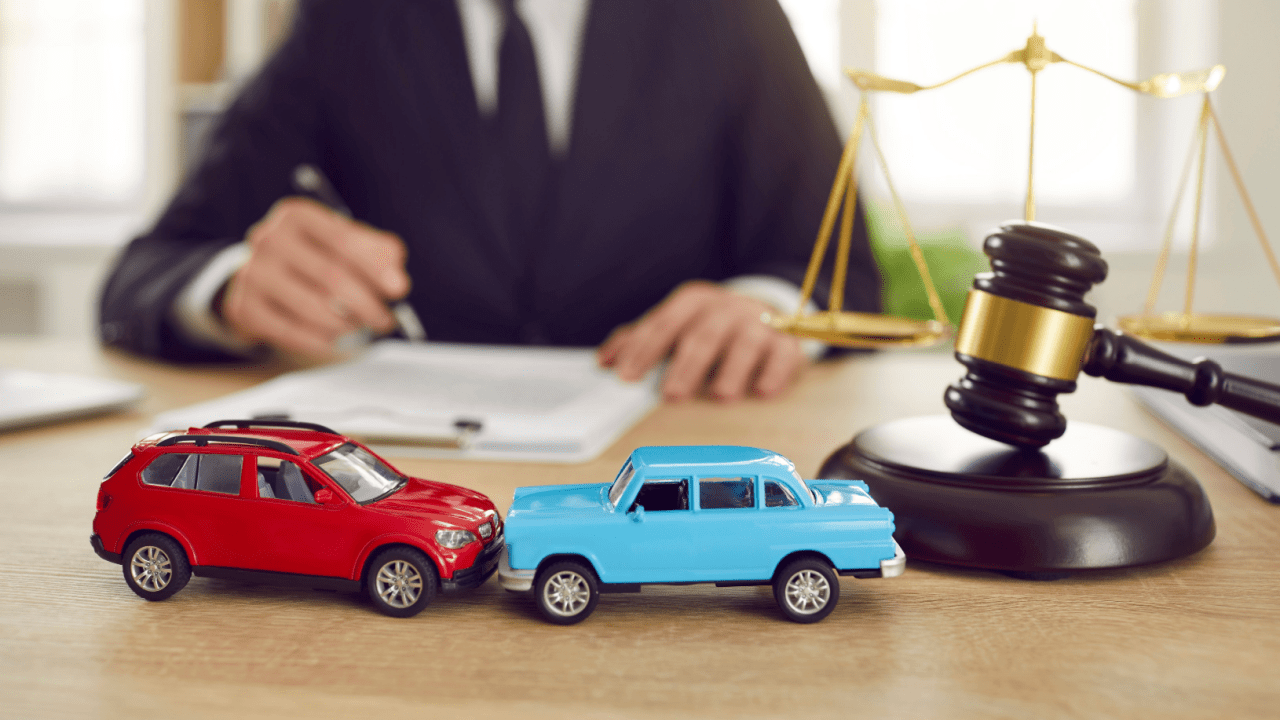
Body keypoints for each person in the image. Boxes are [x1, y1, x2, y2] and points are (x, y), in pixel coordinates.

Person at [98, 0, 879, 402]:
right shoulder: (346, 21)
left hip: (678, 460)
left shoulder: (730, 15)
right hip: (411, 485)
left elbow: (843, 274)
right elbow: (147, 273)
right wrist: (234, 288)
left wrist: (767, 308)